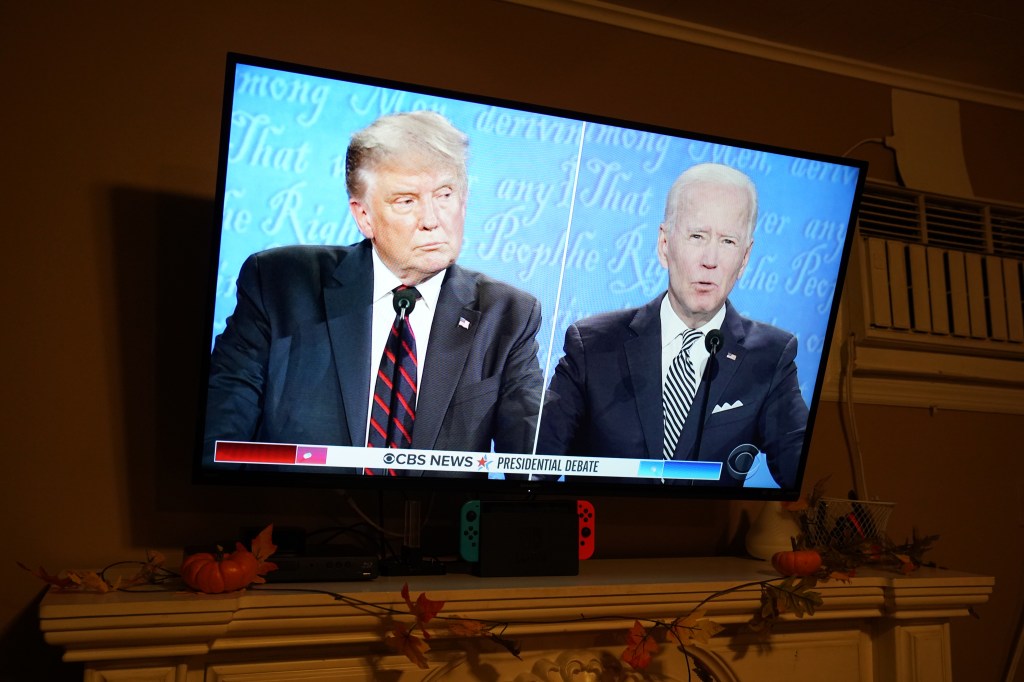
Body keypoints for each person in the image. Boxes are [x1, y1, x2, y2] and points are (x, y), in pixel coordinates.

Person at [204, 111, 544, 472]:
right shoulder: (278, 285)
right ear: (364, 216)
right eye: (406, 201)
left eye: (445, 194)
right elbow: (218, 443)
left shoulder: (508, 315)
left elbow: (535, 467)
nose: (432, 220)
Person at [537, 163, 807, 488]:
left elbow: (803, 474)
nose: (711, 259)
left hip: (704, 535)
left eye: (728, 242)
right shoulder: (592, 345)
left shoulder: (770, 356)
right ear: (665, 245)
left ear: (745, 258)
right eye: (697, 236)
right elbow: (537, 468)